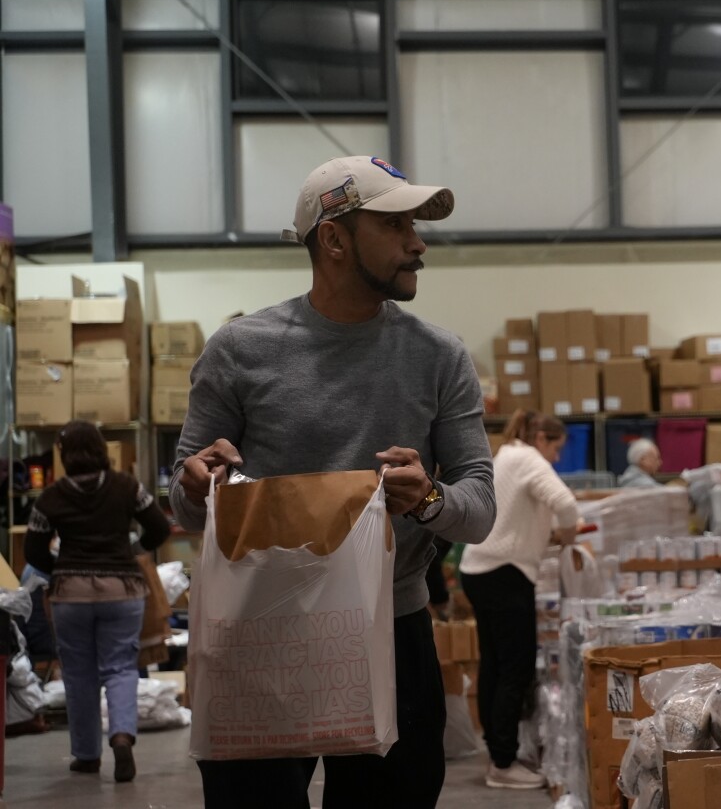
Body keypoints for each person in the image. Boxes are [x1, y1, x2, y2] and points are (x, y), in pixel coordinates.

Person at [170, 155, 497, 809]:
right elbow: (185, 500)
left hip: (393, 631)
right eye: (398, 224)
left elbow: (480, 507)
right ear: (335, 238)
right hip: (261, 632)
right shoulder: (240, 349)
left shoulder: (439, 356)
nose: (418, 242)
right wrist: (199, 479)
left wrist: (429, 497)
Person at [24, 421, 170, 783]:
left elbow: (32, 551)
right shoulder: (127, 486)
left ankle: (87, 756)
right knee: (120, 667)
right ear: (102, 450)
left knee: (78, 674)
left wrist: (62, 569)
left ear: (64, 454)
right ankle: (121, 736)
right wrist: (131, 549)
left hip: (71, 594)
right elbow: (160, 527)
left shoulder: (51, 497)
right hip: (122, 589)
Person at [459, 410, 582, 789]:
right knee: (516, 668)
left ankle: (498, 754)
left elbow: (514, 517)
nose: (556, 458)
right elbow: (566, 503)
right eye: (556, 449)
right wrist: (567, 536)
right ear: (542, 437)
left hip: (479, 569)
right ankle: (503, 763)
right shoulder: (529, 458)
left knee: (494, 666)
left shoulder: (507, 455)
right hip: (505, 573)